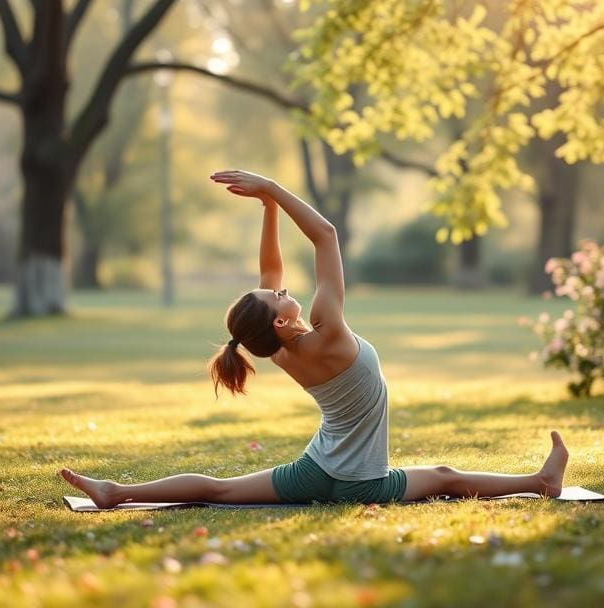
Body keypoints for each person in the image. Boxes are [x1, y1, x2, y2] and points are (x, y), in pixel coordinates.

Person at [60, 170, 569, 508]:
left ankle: (118, 492)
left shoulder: (278, 348)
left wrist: (265, 206)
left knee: (218, 490)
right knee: (446, 476)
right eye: (275, 296)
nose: (279, 288)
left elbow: (270, 269)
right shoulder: (327, 326)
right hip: (362, 483)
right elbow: (325, 234)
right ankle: (539, 483)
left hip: (315, 471)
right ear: (280, 320)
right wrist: (274, 187)